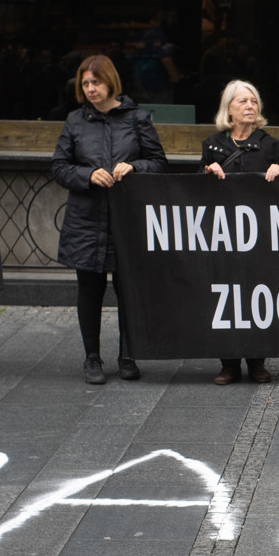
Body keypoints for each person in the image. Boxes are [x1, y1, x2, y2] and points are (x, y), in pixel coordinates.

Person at [51, 55, 168, 385]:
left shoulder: (136, 117)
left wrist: (135, 167)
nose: (89, 89)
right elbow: (59, 167)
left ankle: (127, 355)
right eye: (84, 83)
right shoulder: (75, 121)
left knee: (127, 289)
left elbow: (158, 162)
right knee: (89, 289)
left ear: (110, 82)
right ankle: (92, 357)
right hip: (86, 218)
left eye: (95, 82)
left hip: (126, 218)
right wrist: (87, 175)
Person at [203, 80, 279, 385]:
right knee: (227, 295)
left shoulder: (269, 144)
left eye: (253, 101)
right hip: (224, 233)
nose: (249, 106)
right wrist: (208, 174)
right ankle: (229, 364)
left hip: (259, 231)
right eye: (242, 102)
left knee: (257, 295)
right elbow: (198, 190)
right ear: (229, 110)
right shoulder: (213, 144)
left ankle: (257, 362)